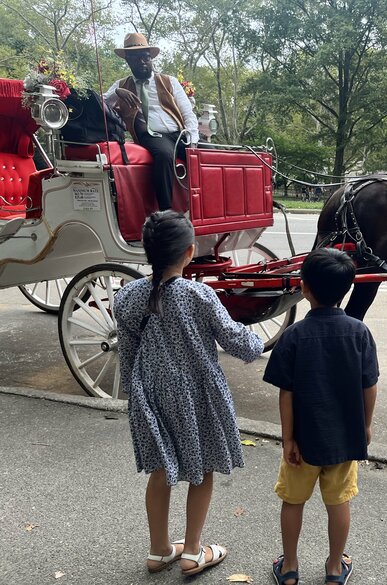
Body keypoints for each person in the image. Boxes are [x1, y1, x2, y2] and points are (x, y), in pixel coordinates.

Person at [114, 210, 264, 576]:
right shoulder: (199, 295)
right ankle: (193, 551)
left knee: (160, 469)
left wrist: (135, 397)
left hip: (150, 393)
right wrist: (257, 344)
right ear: (190, 251)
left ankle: (159, 550)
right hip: (197, 394)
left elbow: (128, 355)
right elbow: (236, 340)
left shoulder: (127, 297)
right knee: (202, 468)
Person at [263, 247, 379, 585]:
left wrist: (288, 438)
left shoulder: (293, 335)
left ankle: (289, 568)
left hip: (303, 441)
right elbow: (369, 385)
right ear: (347, 289)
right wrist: (366, 425)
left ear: (304, 288)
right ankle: (334, 568)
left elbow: (286, 392)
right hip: (343, 439)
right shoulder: (359, 332)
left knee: (293, 501)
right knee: (339, 502)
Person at [104, 33, 199, 210]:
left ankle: (210, 207)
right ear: (128, 61)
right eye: (135, 59)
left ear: (151, 59)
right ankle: (166, 212)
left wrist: (192, 139)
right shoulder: (121, 85)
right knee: (164, 155)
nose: (142, 62)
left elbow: (188, 113)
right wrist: (117, 93)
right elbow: (100, 103)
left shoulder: (169, 81)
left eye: (145, 57)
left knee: (210, 154)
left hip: (179, 134)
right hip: (151, 135)